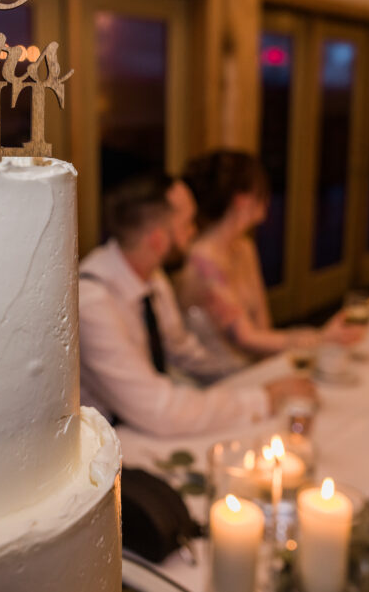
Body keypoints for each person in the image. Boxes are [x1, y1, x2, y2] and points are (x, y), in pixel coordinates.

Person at [78, 172, 317, 437]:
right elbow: (158, 410)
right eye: (187, 224)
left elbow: (184, 352)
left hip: (145, 423)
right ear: (157, 239)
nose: (194, 232)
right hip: (103, 444)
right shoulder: (92, 303)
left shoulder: (151, 276)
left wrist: (254, 376)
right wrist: (262, 398)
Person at [177, 151, 364, 370]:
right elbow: (244, 338)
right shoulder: (203, 263)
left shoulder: (244, 247)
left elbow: (263, 326)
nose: (269, 198)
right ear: (242, 200)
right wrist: (321, 338)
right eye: (262, 191)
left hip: (253, 364)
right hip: (220, 376)